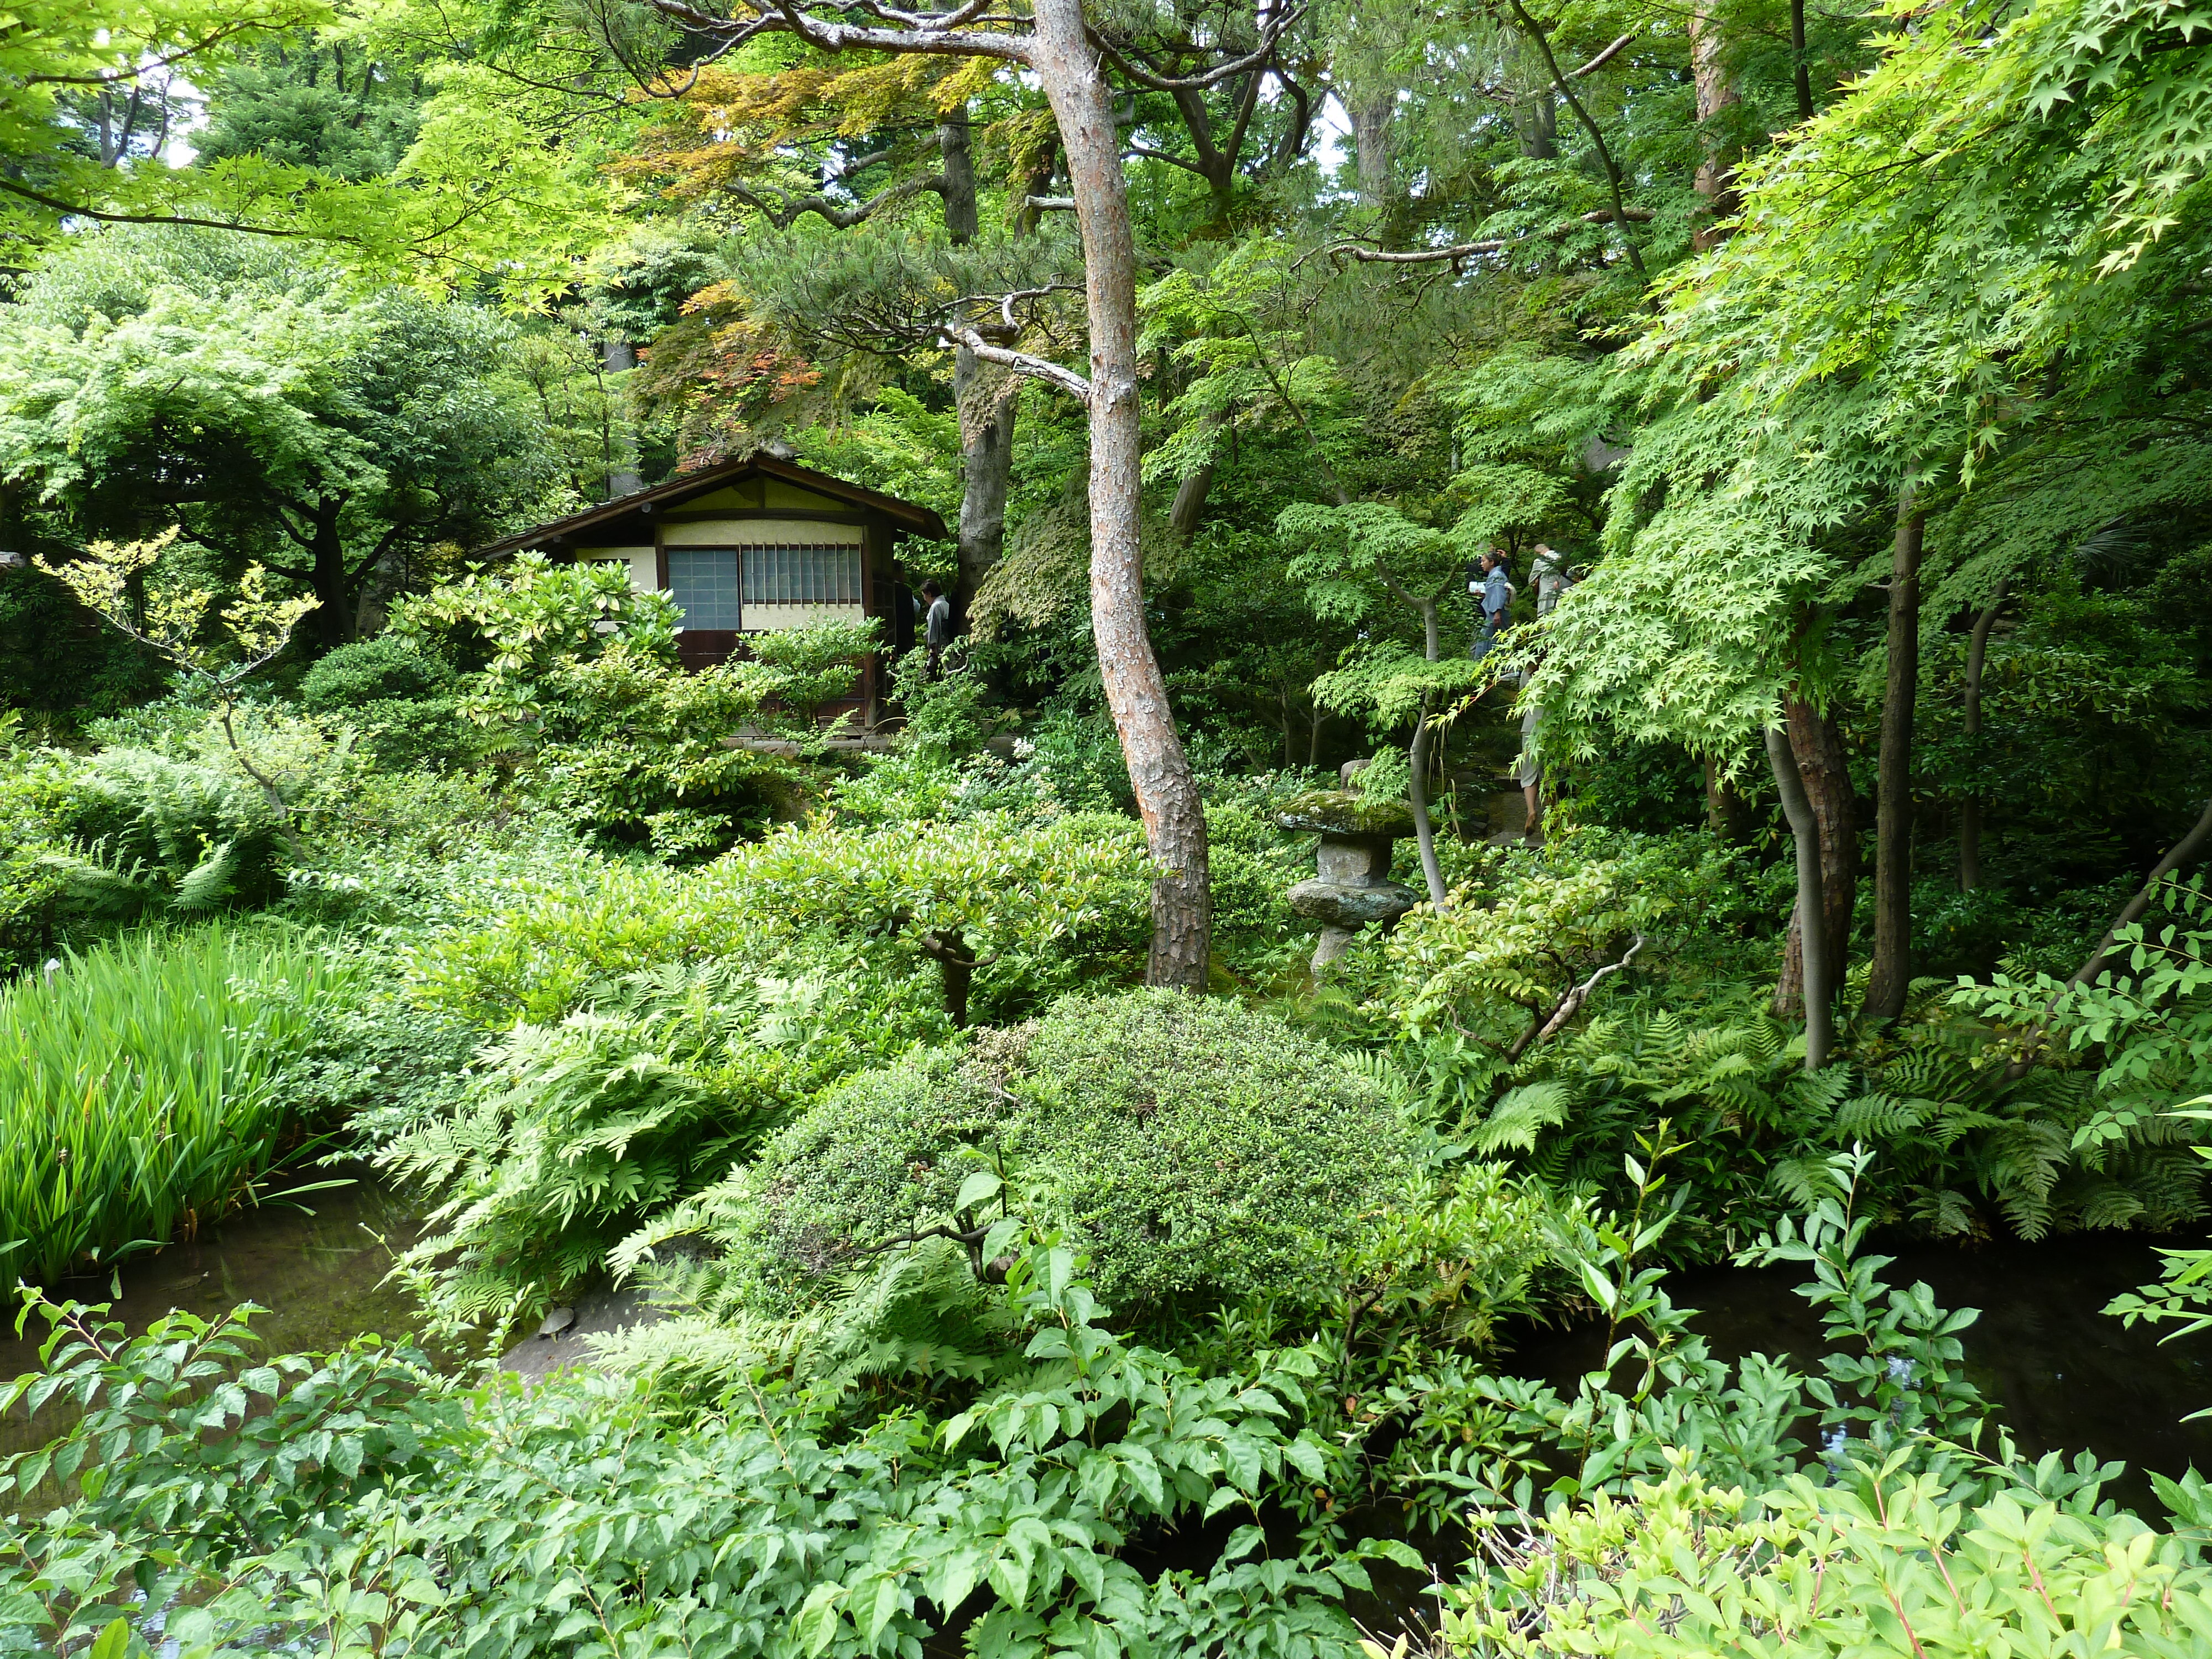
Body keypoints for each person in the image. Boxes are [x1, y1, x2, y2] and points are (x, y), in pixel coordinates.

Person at [1471, 549, 1512, 657]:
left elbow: (1499, 594)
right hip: (1493, 611)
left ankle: (1496, 666)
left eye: (1484, 561)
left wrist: (1497, 612)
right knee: (1493, 639)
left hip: (1495, 613)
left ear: (1492, 562)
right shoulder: (1495, 574)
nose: (1481, 564)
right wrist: (1485, 595)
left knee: (1491, 640)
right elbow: (1494, 593)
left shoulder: (1497, 575)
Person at [919, 578, 953, 677]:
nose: (924, 599)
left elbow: (935, 627)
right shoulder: (945, 604)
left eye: (924, 596)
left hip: (941, 645)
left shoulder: (936, 607)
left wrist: (932, 648)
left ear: (929, 594)